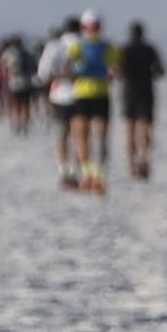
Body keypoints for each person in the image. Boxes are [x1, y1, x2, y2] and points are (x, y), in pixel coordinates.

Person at [67, 10, 118, 194]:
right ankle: (99, 176)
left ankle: (88, 173)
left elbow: (68, 66)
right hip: (101, 94)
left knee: (82, 136)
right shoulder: (108, 46)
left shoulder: (77, 45)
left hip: (82, 93)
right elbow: (115, 69)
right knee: (100, 137)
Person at [38, 16, 83, 188]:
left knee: (61, 136)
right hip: (83, 95)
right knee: (80, 136)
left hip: (59, 97)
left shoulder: (54, 46)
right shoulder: (84, 45)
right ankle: (77, 171)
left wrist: (58, 77)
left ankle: (64, 172)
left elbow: (43, 73)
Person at [119, 21, 165, 179]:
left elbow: (118, 71)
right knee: (145, 128)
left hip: (129, 91)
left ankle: (132, 165)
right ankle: (145, 161)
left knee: (130, 129)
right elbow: (160, 70)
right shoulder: (150, 49)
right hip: (146, 90)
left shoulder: (124, 49)